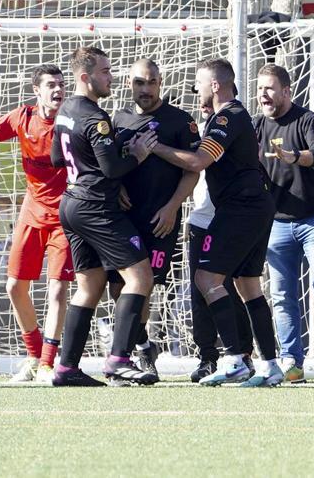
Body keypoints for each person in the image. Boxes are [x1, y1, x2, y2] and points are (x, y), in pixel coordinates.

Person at [149, 58, 283, 387]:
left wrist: (155, 147)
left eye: (199, 86)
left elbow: (199, 161)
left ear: (215, 86)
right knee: (247, 284)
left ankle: (235, 358)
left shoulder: (228, 116)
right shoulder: (233, 117)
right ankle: (271, 365)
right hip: (256, 203)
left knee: (207, 278)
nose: (196, 93)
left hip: (242, 206)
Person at [50, 47, 159, 387]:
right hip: (96, 206)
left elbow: (57, 158)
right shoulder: (94, 116)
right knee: (140, 277)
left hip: (71, 204)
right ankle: (119, 360)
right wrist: (137, 154)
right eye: (106, 72)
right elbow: (112, 169)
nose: (110, 77)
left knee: (91, 285)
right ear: (86, 77)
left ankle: (66, 368)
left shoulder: (66, 110)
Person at [0, 65, 71, 384]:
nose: (58, 89)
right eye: (51, 84)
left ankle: (49, 364)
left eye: (62, 84)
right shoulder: (22, 117)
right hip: (32, 212)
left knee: (57, 288)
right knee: (14, 286)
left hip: (66, 215)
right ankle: (34, 356)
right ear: (37, 90)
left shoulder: (74, 119)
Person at [254, 64, 314, 384]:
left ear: (286, 91)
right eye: (260, 88)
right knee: (280, 294)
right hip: (276, 223)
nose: (263, 94)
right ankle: (291, 360)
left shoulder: (308, 120)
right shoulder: (255, 126)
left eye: (269, 88)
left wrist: (294, 156)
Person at [112, 59, 201, 378]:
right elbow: (109, 163)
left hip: (160, 221)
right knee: (117, 288)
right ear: (129, 84)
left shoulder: (179, 121)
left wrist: (173, 206)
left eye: (151, 82)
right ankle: (142, 345)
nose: (145, 89)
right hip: (121, 219)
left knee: (143, 286)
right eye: (139, 83)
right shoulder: (118, 119)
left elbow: (194, 168)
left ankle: (137, 353)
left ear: (161, 82)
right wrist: (118, 185)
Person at [185, 100, 254, 382]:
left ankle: (242, 353)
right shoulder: (192, 131)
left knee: (232, 286)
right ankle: (207, 356)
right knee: (199, 290)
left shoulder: (234, 126)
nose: (200, 101)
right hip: (200, 220)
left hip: (230, 220)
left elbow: (200, 161)